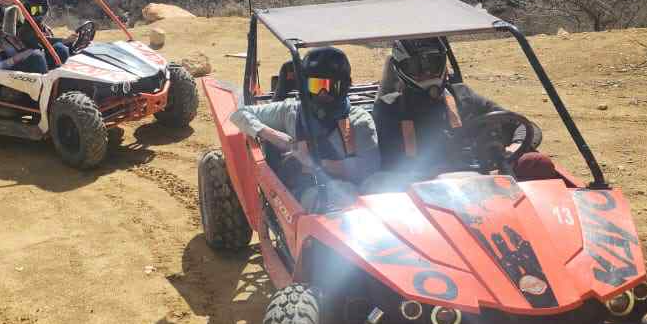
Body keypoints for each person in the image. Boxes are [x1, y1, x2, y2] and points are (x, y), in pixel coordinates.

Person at [372, 36, 567, 183]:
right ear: (401, 69)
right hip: (422, 188)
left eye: (433, 63)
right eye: (417, 66)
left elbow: (522, 125)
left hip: (480, 181)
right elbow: (390, 163)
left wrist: (513, 147)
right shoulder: (390, 108)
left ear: (443, 63)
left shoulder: (460, 95)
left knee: (537, 163)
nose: (427, 73)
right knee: (382, 182)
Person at [230, 46, 380, 210]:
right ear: (305, 86)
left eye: (331, 87)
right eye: (316, 86)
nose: (323, 93)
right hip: (312, 192)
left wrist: (316, 163)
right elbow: (240, 114)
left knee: (385, 184)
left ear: (344, 86)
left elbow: (368, 167)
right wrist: (276, 137)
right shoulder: (292, 112)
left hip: (356, 192)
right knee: (338, 197)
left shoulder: (358, 121)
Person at [16, 0, 71, 68]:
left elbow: (45, 39)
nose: (41, 11)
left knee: (62, 48)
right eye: (36, 9)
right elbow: (42, 40)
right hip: (33, 62)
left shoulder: (41, 25)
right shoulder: (25, 28)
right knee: (61, 48)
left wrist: (68, 41)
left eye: (43, 7)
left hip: (42, 59)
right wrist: (65, 40)